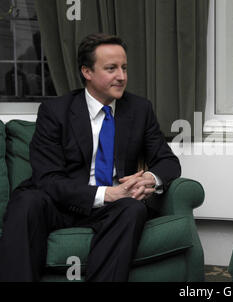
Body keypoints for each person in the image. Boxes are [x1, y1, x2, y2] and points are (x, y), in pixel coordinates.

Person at [0, 33, 181, 282]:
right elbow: (48, 179)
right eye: (111, 68)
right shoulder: (55, 111)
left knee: (133, 208)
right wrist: (106, 193)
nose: (122, 76)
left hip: (115, 207)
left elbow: (168, 162)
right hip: (61, 202)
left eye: (124, 68)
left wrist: (150, 178)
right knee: (26, 201)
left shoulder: (140, 109)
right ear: (87, 72)